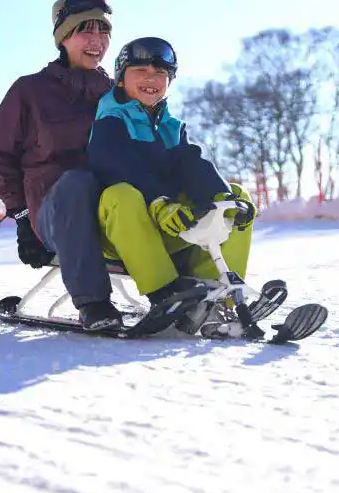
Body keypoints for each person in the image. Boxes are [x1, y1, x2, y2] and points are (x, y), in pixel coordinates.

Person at [0, 0, 120, 331]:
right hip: (52, 213)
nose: (97, 40)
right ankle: (94, 303)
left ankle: (186, 290)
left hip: (111, 209)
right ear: (64, 37)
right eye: (86, 29)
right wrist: (22, 217)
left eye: (104, 30)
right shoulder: (30, 91)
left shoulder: (116, 94)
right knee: (78, 181)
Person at [86, 37, 257, 307]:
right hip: (118, 233)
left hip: (167, 225)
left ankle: (218, 297)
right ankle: (166, 296)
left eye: (160, 73)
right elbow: (117, 166)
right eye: (140, 71)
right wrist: (157, 203)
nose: (151, 78)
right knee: (122, 194)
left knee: (235, 198)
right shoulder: (110, 121)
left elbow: (192, 166)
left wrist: (220, 195)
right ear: (120, 79)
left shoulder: (172, 127)